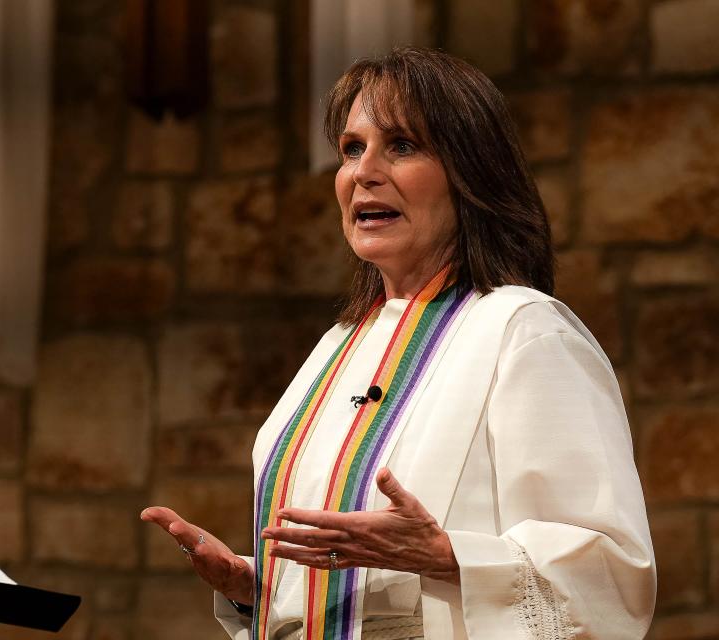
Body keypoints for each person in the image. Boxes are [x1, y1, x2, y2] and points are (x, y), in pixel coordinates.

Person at [141, 46, 655, 640]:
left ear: (471, 172)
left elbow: (611, 573)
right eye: (352, 149)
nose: (364, 172)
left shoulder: (524, 331)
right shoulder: (336, 350)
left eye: (402, 146)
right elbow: (372, 592)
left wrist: (444, 554)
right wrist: (260, 588)